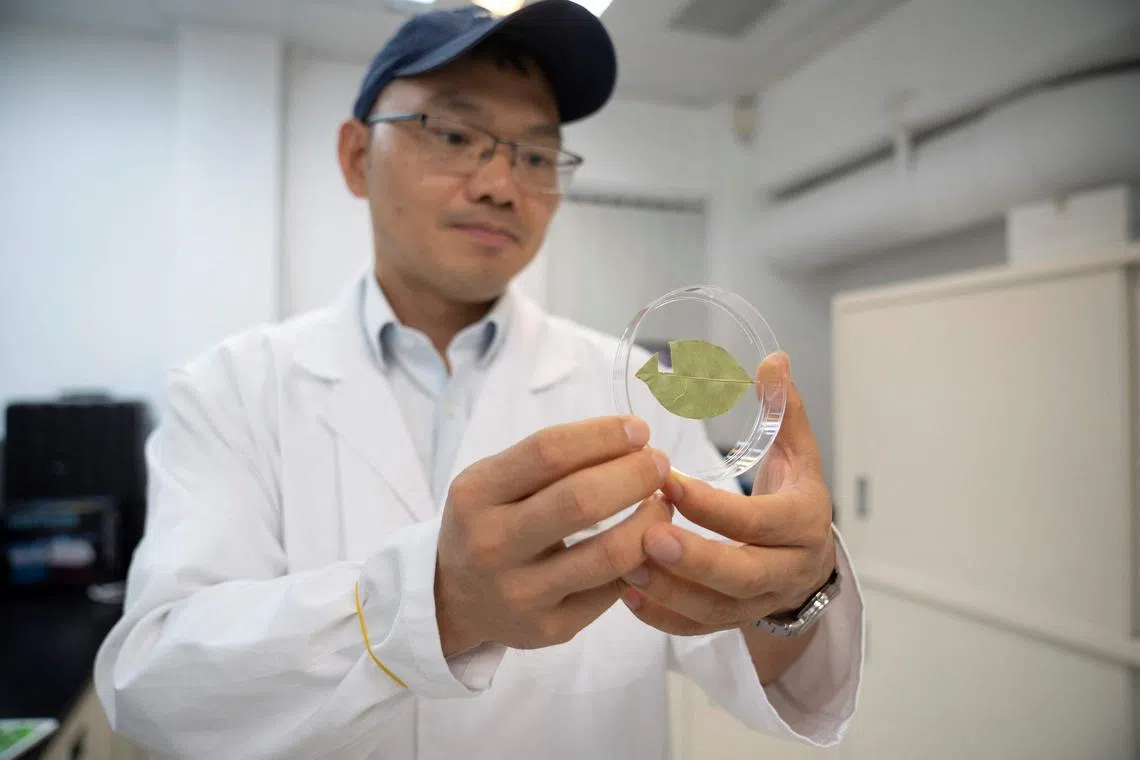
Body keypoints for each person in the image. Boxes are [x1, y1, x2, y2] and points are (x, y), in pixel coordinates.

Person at [93, 2, 864, 757]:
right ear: (358, 157)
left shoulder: (632, 384)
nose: (502, 185)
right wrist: (434, 606)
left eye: (535, 155)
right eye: (455, 134)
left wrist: (793, 591)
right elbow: (159, 686)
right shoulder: (231, 390)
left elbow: (731, 646)